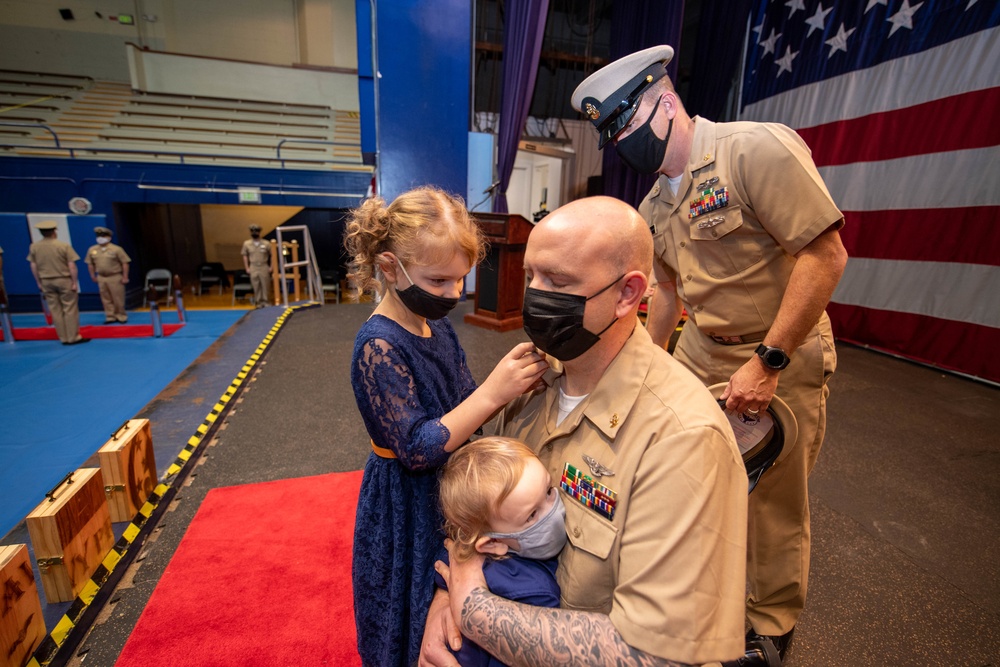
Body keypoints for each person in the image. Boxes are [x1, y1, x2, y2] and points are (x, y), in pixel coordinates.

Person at [570, 45, 849, 659]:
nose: (623, 142)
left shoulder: (754, 150)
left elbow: (824, 255)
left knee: (773, 498)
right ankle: (703, 600)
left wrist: (768, 361)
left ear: (665, 101)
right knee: (691, 484)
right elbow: (665, 292)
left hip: (780, 350)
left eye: (629, 123)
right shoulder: (655, 206)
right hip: (702, 353)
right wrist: (649, 362)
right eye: (612, 134)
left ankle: (771, 627)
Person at [423, 196, 765, 667]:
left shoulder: (682, 438)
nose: (536, 297)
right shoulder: (530, 383)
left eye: (558, 282)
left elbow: (650, 654)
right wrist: (448, 593)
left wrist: (473, 611)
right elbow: (479, 505)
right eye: (531, 278)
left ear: (628, 294)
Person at [344, 186, 548, 667]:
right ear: (391, 268)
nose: (453, 294)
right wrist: (494, 392)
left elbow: (463, 404)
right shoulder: (377, 346)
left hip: (452, 484)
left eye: (460, 281)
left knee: (455, 600)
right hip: (407, 502)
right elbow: (416, 448)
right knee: (410, 601)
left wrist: (512, 388)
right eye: (438, 281)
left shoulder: (436, 325)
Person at [436, 436, 563, 667]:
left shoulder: (461, 556)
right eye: (532, 515)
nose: (553, 511)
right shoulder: (535, 595)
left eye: (548, 490)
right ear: (492, 543)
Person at [27, 220, 89, 345]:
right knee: (69, 308)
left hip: (46, 280)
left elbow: (33, 266)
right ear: (54, 231)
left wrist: (39, 282)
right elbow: (71, 265)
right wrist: (74, 282)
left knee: (55, 309)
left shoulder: (34, 247)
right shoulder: (63, 246)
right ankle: (73, 337)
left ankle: (63, 337)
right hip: (63, 279)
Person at [85, 226, 130, 323]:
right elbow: (90, 264)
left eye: (103, 236)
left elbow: (124, 263)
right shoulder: (92, 249)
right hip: (101, 277)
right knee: (105, 298)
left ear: (109, 237)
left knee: (118, 297)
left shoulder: (116, 249)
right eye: (98, 236)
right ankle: (110, 316)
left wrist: (125, 276)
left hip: (115, 276)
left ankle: (121, 315)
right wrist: (92, 275)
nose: (100, 238)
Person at [241, 224, 271, 308]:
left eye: (256, 231)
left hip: (263, 265)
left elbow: (272, 255)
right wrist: (247, 267)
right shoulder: (247, 243)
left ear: (259, 232)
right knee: (256, 285)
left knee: (265, 285)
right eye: (253, 231)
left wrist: (271, 266)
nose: (255, 233)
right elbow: (244, 255)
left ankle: (266, 302)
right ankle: (258, 302)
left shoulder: (266, 243)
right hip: (253, 266)